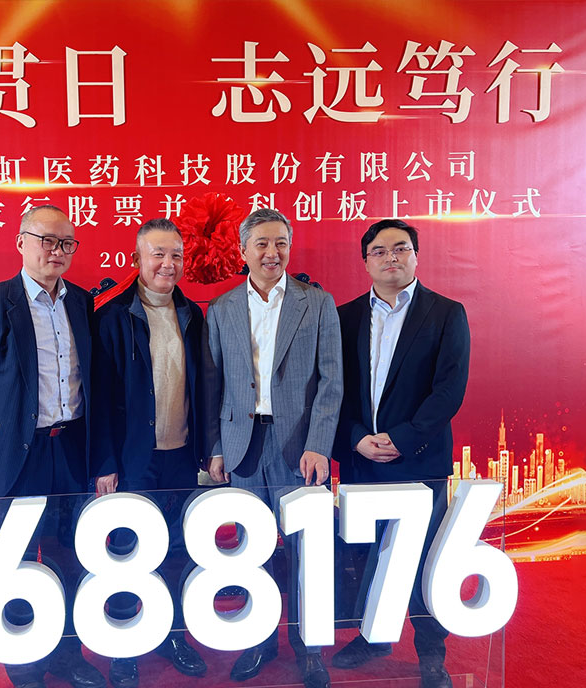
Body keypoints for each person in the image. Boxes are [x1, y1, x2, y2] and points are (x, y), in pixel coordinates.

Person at [0, 205, 105, 688]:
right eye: (47, 240)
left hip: (72, 450)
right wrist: (11, 429)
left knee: (69, 557)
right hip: (20, 455)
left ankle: (67, 653)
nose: (57, 251)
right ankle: (24, 663)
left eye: (66, 243)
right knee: (17, 562)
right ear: (21, 242)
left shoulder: (82, 303)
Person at [205, 208, 342, 688]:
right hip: (242, 446)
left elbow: (331, 382)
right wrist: (216, 447)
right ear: (243, 250)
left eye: (281, 242)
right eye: (261, 243)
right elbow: (213, 383)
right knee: (251, 551)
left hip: (298, 447)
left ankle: (309, 647)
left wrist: (319, 444)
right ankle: (259, 640)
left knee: (307, 552)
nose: (272, 252)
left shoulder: (316, 303)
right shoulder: (220, 308)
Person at [332, 219, 470, 688]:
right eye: (379, 250)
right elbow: (334, 390)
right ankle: (373, 637)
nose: (391, 257)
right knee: (371, 557)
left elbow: (448, 390)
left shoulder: (446, 313)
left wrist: (404, 438)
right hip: (362, 459)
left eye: (401, 248)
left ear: (415, 256)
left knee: (423, 559)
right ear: (365, 261)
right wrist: (355, 438)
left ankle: (431, 651)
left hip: (419, 461)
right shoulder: (344, 317)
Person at [91, 218, 209, 688]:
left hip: (180, 456)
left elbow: (204, 387)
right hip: (131, 459)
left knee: (177, 551)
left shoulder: (192, 315)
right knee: (127, 553)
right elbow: (99, 399)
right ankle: (125, 645)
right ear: (137, 258)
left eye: (176, 255)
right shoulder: (113, 317)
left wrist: (207, 450)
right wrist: (105, 463)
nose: (168, 264)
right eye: (157, 254)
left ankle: (172, 635)